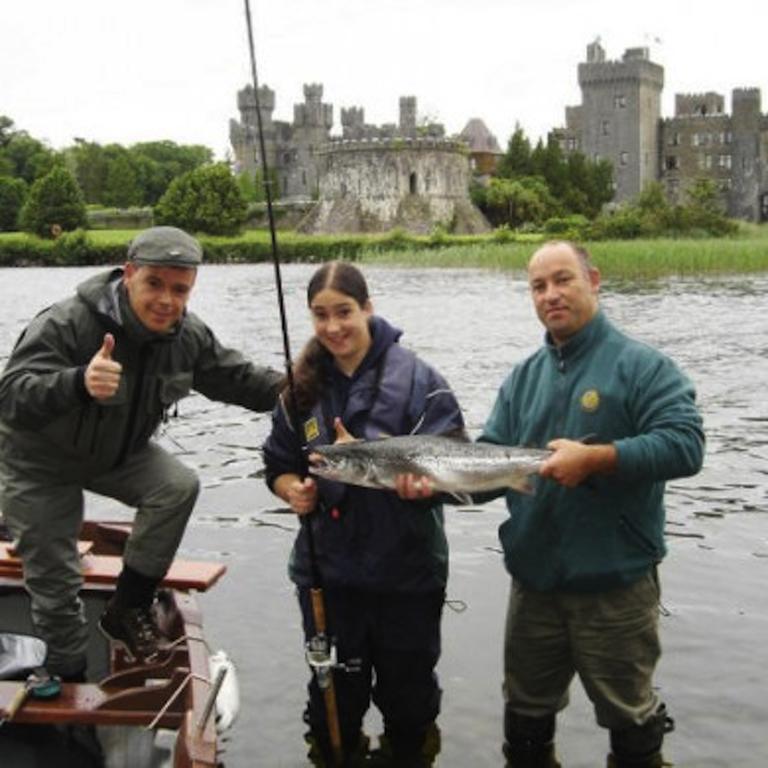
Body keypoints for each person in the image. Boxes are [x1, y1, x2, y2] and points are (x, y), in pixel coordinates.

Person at [0, 226, 283, 681]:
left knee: (177, 487)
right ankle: (67, 672)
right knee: (56, 589)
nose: (166, 300)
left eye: (179, 289)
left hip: (117, 454)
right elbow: (11, 396)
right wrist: (78, 382)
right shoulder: (67, 322)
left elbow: (237, 378)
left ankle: (127, 608)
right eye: (154, 284)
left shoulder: (186, 335)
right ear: (128, 274)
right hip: (39, 463)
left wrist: (296, 388)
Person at [477, 241, 705, 768]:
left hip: (615, 588)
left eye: (563, 280)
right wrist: (436, 486)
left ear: (594, 280)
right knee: (526, 717)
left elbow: (686, 444)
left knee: (631, 721)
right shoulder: (522, 378)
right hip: (534, 587)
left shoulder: (643, 366)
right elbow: (490, 460)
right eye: (538, 286)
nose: (551, 295)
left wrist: (598, 458)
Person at [262, 261, 465, 767]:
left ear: (368, 308)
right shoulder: (298, 390)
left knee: (410, 703)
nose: (333, 327)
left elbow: (459, 466)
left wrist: (426, 489)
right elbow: (277, 466)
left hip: (408, 576)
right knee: (333, 701)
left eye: (344, 312)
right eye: (320, 315)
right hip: (328, 577)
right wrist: (292, 492)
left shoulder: (422, 381)